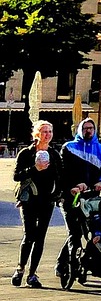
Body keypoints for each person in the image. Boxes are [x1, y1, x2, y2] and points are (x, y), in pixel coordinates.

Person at [58, 117, 101, 280]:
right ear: (79, 130)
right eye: (85, 128)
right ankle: (67, 265)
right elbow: (63, 173)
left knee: (88, 231)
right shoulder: (68, 148)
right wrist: (73, 187)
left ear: (95, 130)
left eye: (91, 128)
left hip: (91, 199)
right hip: (71, 197)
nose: (88, 131)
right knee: (74, 232)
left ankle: (66, 262)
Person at [12, 120, 61, 288]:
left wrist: (56, 196)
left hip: (46, 201)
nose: (47, 135)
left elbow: (60, 178)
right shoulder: (26, 153)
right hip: (29, 200)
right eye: (44, 131)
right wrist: (35, 169)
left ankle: (32, 274)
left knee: (40, 239)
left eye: (49, 131)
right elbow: (17, 176)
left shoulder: (54, 155)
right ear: (36, 134)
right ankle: (20, 269)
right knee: (29, 236)